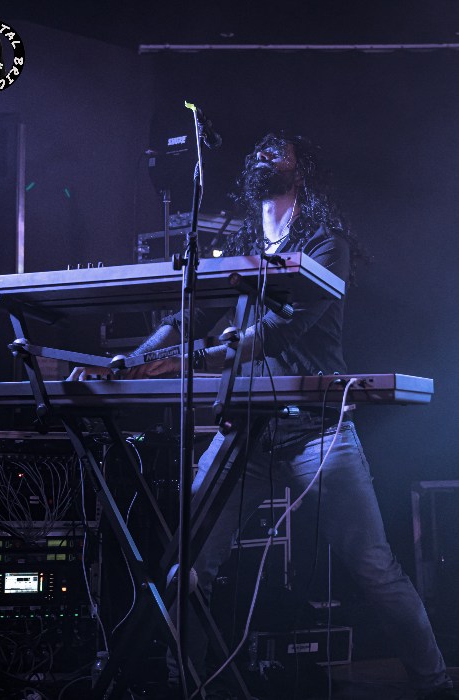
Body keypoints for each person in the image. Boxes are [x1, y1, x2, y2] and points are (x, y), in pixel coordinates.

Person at [69, 133, 456, 700]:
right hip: (243, 431)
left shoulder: (325, 244)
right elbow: (186, 315)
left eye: (280, 150)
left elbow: (280, 329)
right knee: (184, 568)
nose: (264, 154)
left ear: (302, 171)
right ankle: (189, 686)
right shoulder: (243, 244)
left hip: (317, 431)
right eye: (260, 149)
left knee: (374, 567)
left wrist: (187, 359)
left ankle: (436, 684)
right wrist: (128, 361)